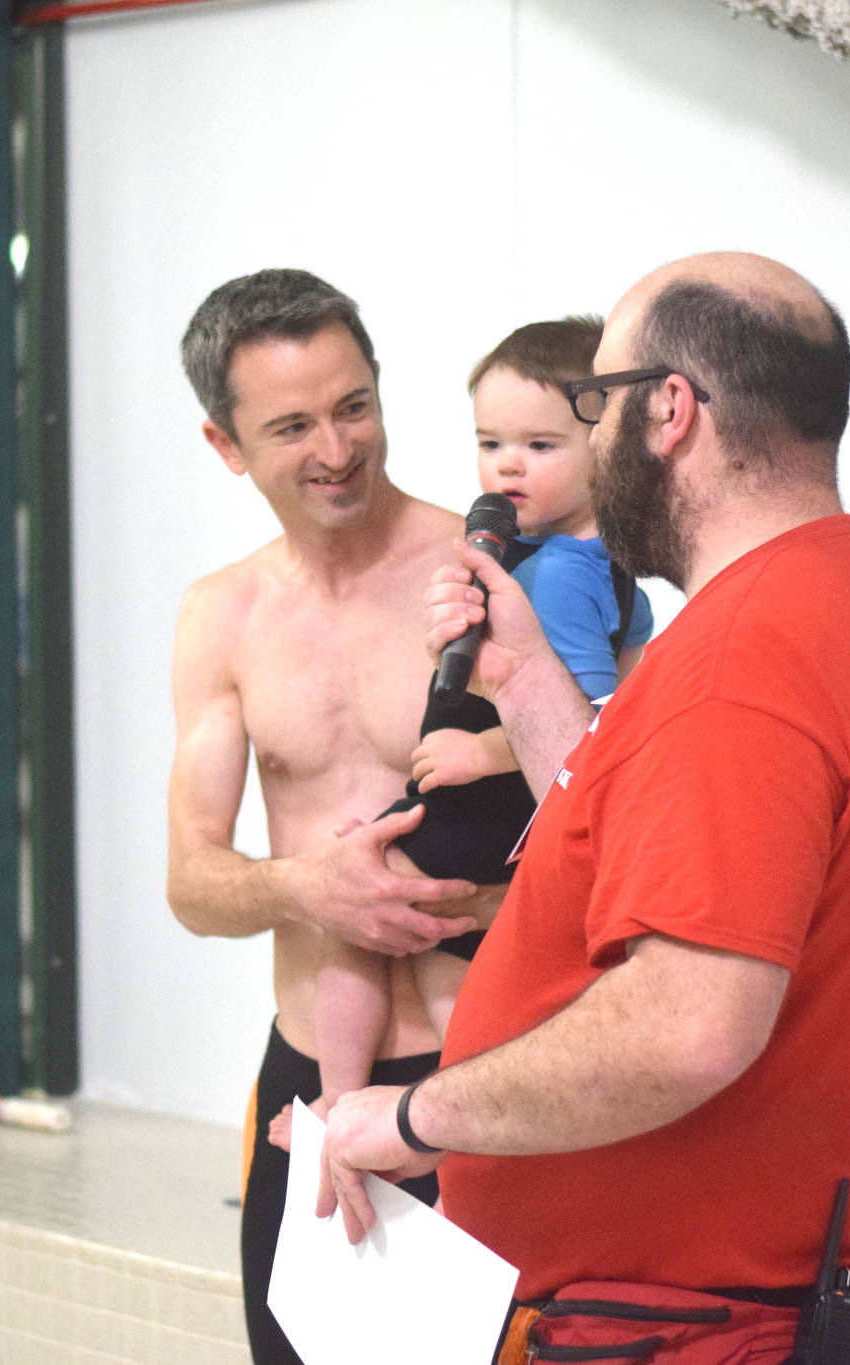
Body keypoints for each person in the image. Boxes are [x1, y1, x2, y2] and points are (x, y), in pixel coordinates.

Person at [318, 252, 850, 1365]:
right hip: (751, 1301)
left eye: (594, 404)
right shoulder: (840, 591)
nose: (588, 433)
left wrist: (415, 1116)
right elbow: (663, 828)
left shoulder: (740, 670)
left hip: (684, 1328)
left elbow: (685, 1025)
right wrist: (524, 681)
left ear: (668, 412)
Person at [166, 267, 499, 1365]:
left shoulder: (483, 573)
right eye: (293, 425)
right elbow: (193, 884)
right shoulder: (223, 618)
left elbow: (601, 808)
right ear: (226, 446)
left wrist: (485, 896)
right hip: (315, 1076)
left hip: (487, 1076)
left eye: (353, 406)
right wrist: (305, 885)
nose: (336, 448)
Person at [311, 316, 655, 1121]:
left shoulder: (565, 575)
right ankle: (435, 1110)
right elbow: (637, 691)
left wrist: (482, 750)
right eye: (489, 441)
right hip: (506, 803)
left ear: (606, 446)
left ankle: (341, 1104)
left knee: (358, 904)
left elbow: (594, 714)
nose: (506, 464)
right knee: (441, 951)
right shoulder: (591, 564)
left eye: (539, 446)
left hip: (497, 799)